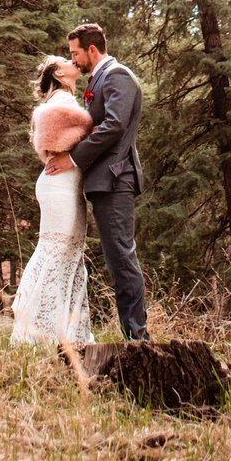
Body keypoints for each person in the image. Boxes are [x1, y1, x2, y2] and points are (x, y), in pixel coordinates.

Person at [45, 22, 149, 341]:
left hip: (116, 180)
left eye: (75, 53)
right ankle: (133, 337)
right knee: (117, 260)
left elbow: (114, 126)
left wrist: (73, 158)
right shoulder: (100, 78)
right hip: (104, 182)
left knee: (122, 258)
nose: (73, 60)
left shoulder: (117, 75)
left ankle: (138, 339)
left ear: (92, 49)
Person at [10, 54, 95, 347]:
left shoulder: (63, 99)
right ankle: (41, 330)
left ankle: (67, 333)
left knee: (70, 253)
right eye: (66, 60)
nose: (73, 61)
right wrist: (92, 130)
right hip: (59, 185)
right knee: (57, 250)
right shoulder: (61, 100)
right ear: (58, 73)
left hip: (66, 183)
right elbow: (47, 131)